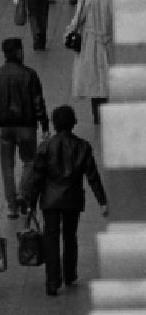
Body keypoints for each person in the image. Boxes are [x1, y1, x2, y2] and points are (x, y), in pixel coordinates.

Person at [22, 103, 108, 295]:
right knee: (70, 236)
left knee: (51, 237)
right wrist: (102, 201)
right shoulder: (83, 146)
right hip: (72, 198)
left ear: (54, 123)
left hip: (50, 200)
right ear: (74, 123)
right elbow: (92, 176)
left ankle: (52, 281)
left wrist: (30, 203)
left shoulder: (45, 147)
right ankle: (70, 274)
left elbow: (36, 178)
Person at [0, 37, 49, 219]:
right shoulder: (29, 74)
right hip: (26, 126)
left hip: (2, 127)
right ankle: (23, 195)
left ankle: (11, 206)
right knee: (29, 162)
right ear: (19, 52)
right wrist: (44, 124)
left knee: (6, 166)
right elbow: (38, 101)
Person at [67, 0, 114, 125]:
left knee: (94, 82)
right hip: (109, 44)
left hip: (90, 44)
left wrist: (67, 34)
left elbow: (77, 21)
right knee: (107, 81)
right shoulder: (112, 0)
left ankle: (97, 115)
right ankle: (108, 112)